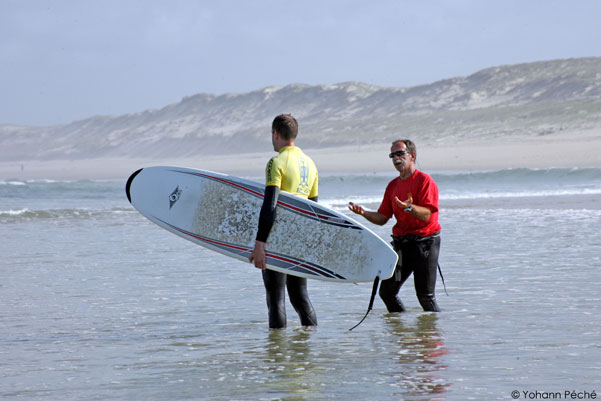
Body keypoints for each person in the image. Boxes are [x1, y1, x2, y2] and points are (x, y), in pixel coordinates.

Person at [348, 139, 441, 312]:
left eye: (400, 153)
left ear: (412, 156)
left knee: (425, 297)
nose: (396, 158)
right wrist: (363, 213)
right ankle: (400, 332)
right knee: (387, 292)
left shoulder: (424, 181)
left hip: (425, 244)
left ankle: (431, 336)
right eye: (392, 155)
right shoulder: (393, 186)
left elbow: (428, 215)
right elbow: (383, 217)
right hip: (403, 245)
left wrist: (410, 208)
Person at [249, 114, 318, 329]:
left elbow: (270, 205)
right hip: (300, 239)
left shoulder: (276, 162)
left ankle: (277, 357)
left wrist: (260, 243)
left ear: (276, 134)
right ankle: (309, 347)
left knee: (275, 299)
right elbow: (314, 210)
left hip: (277, 238)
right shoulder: (310, 164)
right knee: (300, 297)